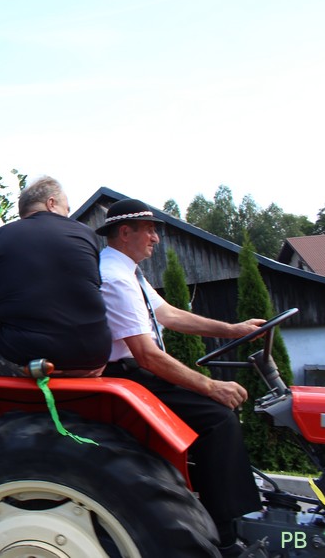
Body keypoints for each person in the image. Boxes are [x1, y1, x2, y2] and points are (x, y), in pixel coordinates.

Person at [96, 198, 264, 556]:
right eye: (149, 230)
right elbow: (147, 355)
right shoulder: (115, 279)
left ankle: (210, 504)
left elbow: (170, 315)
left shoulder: (129, 272)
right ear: (125, 232)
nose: (156, 238)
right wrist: (211, 386)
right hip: (129, 374)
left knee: (213, 410)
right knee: (218, 418)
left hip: (138, 370)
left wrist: (232, 329)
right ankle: (224, 535)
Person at [0, 177, 112, 400]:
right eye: (67, 208)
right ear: (51, 203)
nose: (68, 214)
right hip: (94, 358)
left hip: (24, 354)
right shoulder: (86, 234)